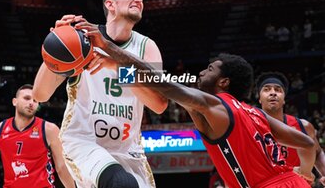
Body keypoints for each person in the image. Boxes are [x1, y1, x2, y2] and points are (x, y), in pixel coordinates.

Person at [82, 25, 317, 187]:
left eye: (211, 69)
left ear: (223, 82)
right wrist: (305, 173)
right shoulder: (254, 112)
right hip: (292, 181)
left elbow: (161, 82)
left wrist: (112, 51)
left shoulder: (214, 104)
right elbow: (307, 142)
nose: (203, 71)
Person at [33, 0, 168, 188]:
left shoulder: (146, 47)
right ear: (110, 4)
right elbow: (40, 95)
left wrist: (117, 66)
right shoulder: (81, 38)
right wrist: (56, 49)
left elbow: (159, 104)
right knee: (122, 184)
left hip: (128, 149)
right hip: (83, 141)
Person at [0, 84, 75, 188]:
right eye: (26, 98)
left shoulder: (49, 129)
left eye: (35, 101)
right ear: (14, 101)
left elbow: (61, 167)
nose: (31, 103)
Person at [256, 71, 325, 185]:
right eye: (267, 89)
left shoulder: (303, 126)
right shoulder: (248, 125)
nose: (273, 93)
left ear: (284, 99)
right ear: (259, 99)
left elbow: (317, 153)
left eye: (278, 90)